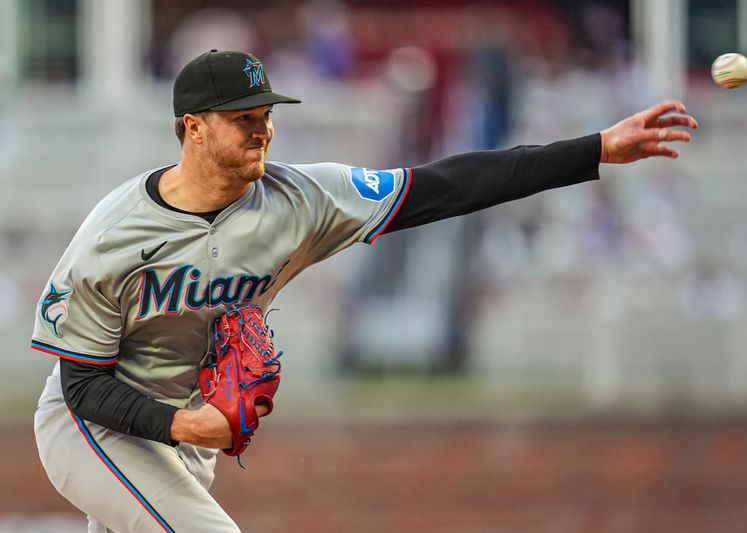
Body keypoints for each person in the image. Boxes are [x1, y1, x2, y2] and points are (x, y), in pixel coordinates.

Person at [31, 49, 698, 532]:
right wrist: (182, 422)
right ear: (193, 127)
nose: (262, 126)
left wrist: (594, 150)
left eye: (266, 112)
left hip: (187, 426)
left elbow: (444, 186)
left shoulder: (302, 198)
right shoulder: (114, 235)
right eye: (242, 117)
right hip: (92, 422)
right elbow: (84, 383)